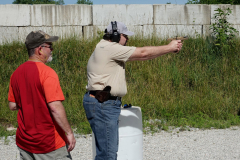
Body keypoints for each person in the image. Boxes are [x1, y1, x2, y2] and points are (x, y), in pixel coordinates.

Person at [83, 21, 183, 160]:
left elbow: (145, 56)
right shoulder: (109, 48)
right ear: (116, 35)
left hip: (103, 102)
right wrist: (169, 47)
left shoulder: (104, 47)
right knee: (107, 155)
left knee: (107, 152)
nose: (128, 39)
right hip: (103, 103)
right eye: (125, 35)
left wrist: (168, 49)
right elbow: (143, 53)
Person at [8, 30, 76, 160]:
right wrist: (69, 132)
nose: (51, 50)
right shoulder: (47, 73)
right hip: (48, 143)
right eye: (50, 46)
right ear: (40, 49)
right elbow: (55, 107)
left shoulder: (16, 73)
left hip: (25, 142)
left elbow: (12, 105)